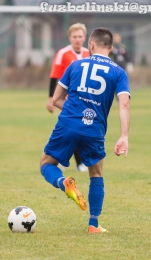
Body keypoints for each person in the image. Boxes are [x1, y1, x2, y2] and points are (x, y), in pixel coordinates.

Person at [40, 28, 130, 233]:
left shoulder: (75, 65)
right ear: (111, 47)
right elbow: (123, 104)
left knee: (46, 164)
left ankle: (63, 182)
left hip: (68, 124)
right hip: (95, 129)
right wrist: (124, 136)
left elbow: (55, 100)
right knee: (96, 173)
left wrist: (76, 112)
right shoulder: (119, 72)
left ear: (91, 45)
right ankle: (93, 224)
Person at [47, 23, 89, 172]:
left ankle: (72, 162)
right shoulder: (63, 53)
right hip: (66, 100)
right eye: (74, 36)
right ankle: (75, 162)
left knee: (78, 131)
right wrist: (51, 98)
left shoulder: (88, 53)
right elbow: (55, 76)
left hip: (84, 101)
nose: (77, 39)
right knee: (69, 130)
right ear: (69, 37)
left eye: (80, 36)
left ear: (85, 38)